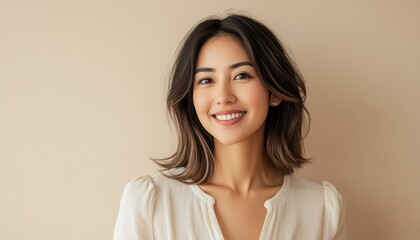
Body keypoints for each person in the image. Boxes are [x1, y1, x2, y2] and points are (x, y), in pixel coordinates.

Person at [113, 13, 345, 240]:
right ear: (191, 98)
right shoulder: (151, 202)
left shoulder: (321, 210)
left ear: (274, 90)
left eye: (242, 76)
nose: (223, 96)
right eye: (206, 80)